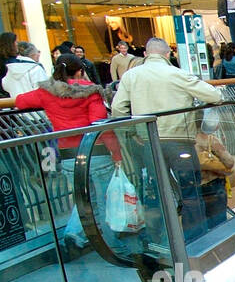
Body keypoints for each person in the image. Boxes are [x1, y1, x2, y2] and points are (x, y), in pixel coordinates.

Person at [111, 37, 223, 241]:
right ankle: (194, 237)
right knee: (190, 191)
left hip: (148, 142)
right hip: (180, 142)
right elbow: (215, 96)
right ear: (168, 54)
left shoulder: (131, 76)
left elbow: (118, 109)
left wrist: (134, 131)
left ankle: (161, 239)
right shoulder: (178, 74)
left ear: (145, 54)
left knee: (157, 190)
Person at [15, 54, 120, 255]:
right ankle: (112, 244)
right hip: (95, 151)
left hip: (68, 154)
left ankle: (74, 233)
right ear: (80, 71)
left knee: (83, 197)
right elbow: (99, 123)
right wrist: (116, 153)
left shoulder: (46, 92)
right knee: (106, 198)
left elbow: (20, 101)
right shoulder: (90, 91)